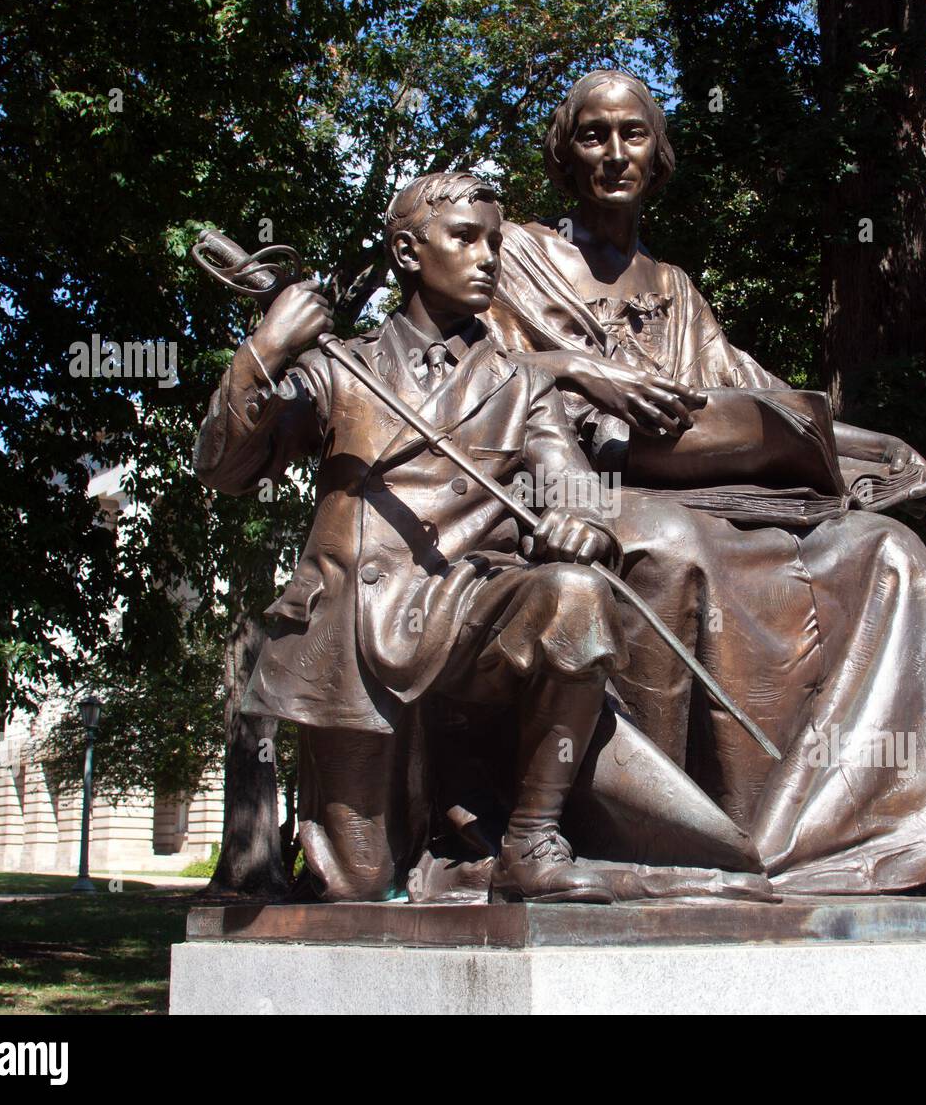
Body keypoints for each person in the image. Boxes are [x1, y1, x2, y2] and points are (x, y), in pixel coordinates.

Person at [485, 70, 926, 896]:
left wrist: (874, 447)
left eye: (633, 134)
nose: (615, 153)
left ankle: (923, 831)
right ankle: (679, 842)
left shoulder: (674, 290)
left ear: (658, 155)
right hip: (577, 490)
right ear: (564, 155)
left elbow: (757, 396)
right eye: (594, 135)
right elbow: (468, 366)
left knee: (882, 547)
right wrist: (583, 372)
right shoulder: (518, 257)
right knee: (668, 548)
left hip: (707, 491)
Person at [194, 172, 631, 903]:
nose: (488, 256)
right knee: (357, 883)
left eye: (494, 240)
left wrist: (580, 524)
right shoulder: (339, 367)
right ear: (405, 251)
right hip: (354, 629)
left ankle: (531, 841)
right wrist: (267, 349)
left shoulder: (521, 384)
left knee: (576, 595)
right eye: (465, 237)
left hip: (469, 608)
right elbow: (224, 466)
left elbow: (578, 488)